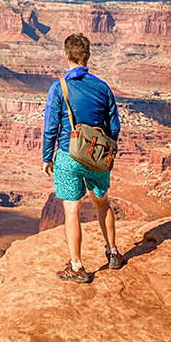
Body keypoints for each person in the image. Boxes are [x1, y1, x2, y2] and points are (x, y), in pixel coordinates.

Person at [43, 33, 121, 284]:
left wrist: (47, 157)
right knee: (102, 203)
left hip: (68, 155)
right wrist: (102, 149)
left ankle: (77, 266)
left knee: (72, 211)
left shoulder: (59, 87)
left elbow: (50, 127)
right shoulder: (102, 87)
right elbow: (114, 127)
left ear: (66, 56)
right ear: (87, 57)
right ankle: (114, 253)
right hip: (96, 155)